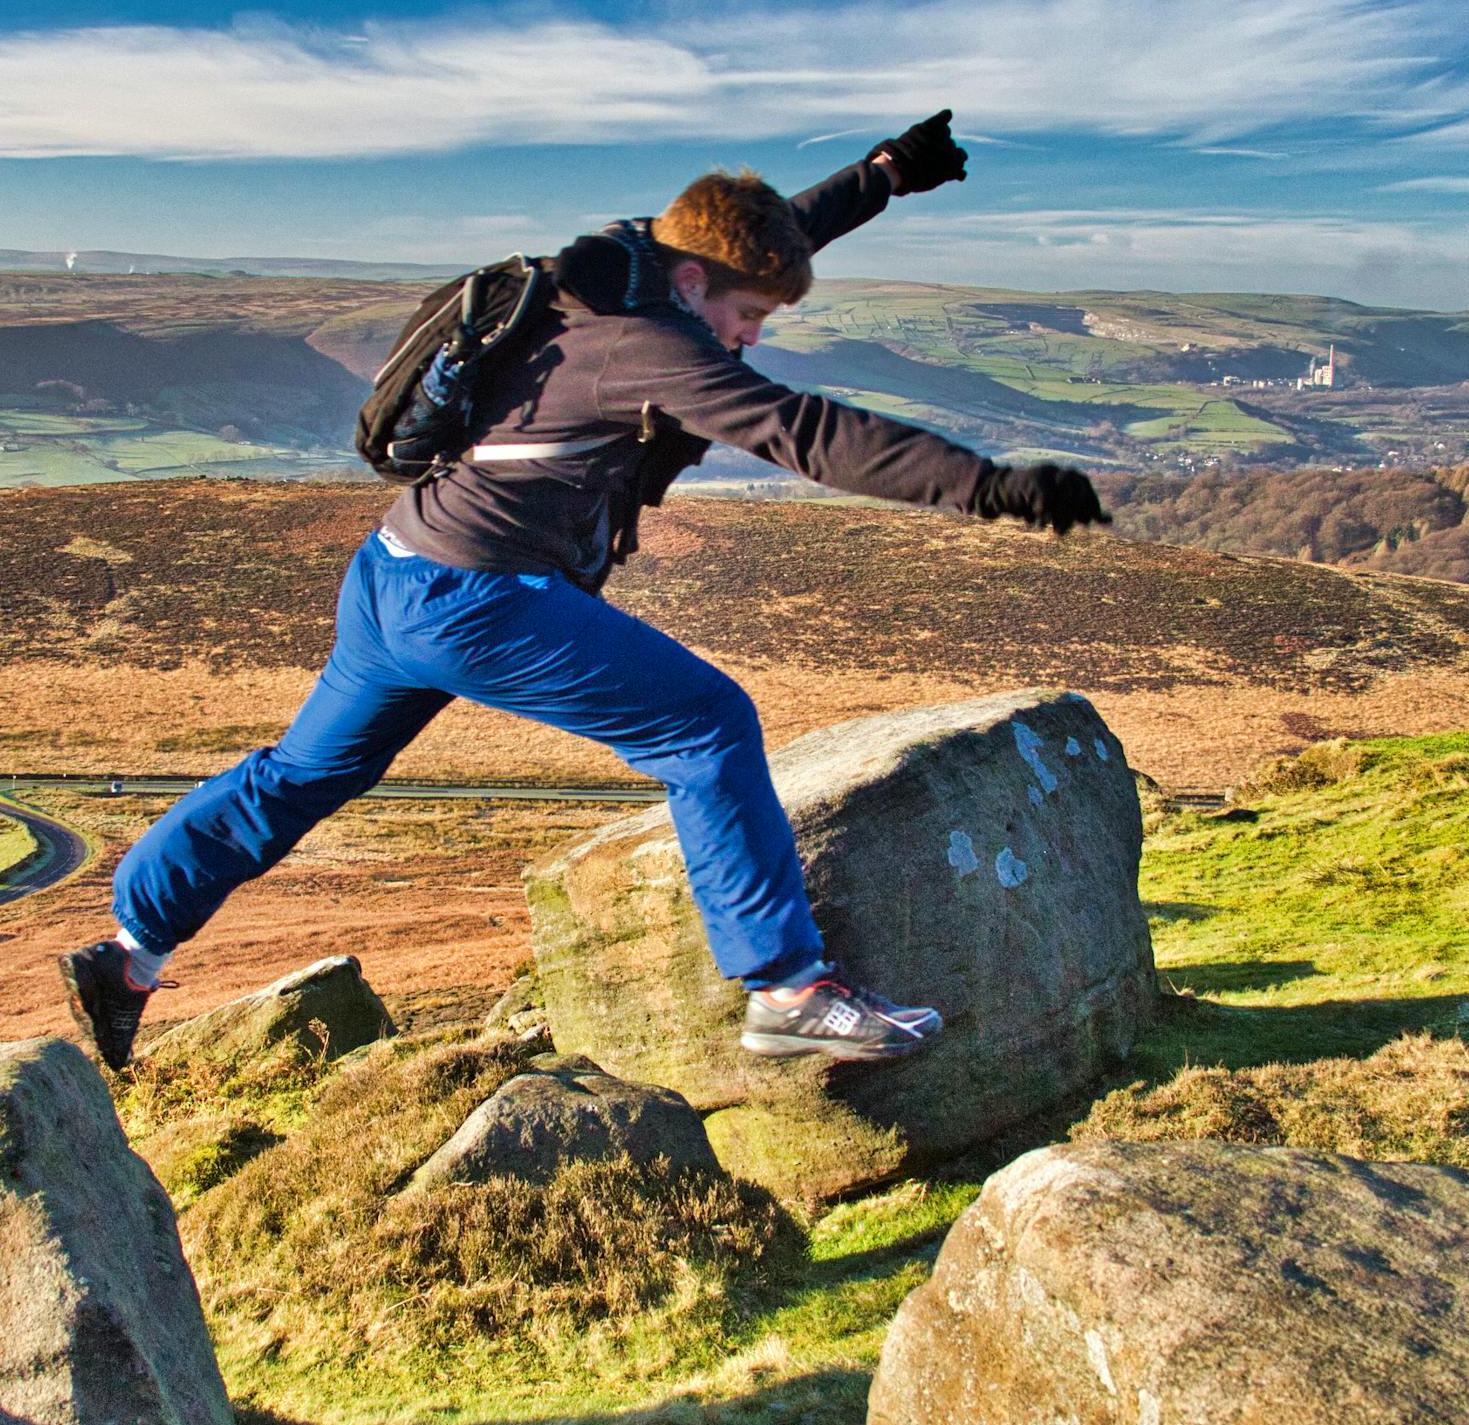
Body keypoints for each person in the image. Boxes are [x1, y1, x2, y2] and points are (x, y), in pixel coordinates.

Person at [60, 111, 1108, 1070]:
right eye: (747, 316)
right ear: (696, 286)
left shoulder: (613, 272)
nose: (749, 336)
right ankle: (788, 989)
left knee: (296, 776)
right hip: (479, 602)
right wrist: (993, 487)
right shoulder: (652, 343)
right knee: (707, 728)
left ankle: (132, 950)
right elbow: (806, 433)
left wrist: (881, 177)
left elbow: (768, 231)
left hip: (392, 571)